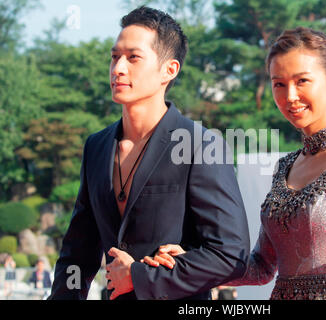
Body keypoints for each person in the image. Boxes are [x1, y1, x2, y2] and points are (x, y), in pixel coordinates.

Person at [144, 27, 326, 300]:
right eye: (279, 84)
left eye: (302, 81)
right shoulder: (284, 166)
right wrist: (193, 262)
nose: (290, 96)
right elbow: (261, 268)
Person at [47, 6, 250, 300]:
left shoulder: (200, 144)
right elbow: (78, 252)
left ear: (169, 70)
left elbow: (232, 254)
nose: (118, 68)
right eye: (115, 57)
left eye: (133, 58)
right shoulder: (97, 146)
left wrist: (142, 277)